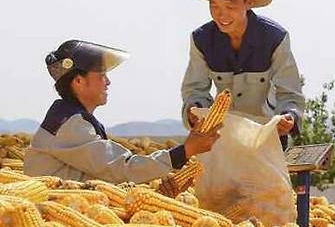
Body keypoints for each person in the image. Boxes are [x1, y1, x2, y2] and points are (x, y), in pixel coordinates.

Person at [24, 40, 220, 186]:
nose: (108, 82)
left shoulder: (73, 119)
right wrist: (185, 151)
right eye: (101, 75)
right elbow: (122, 168)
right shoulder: (69, 125)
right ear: (78, 81)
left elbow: (101, 177)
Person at [181, 0, 304, 146]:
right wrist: (195, 111)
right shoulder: (201, 40)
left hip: (266, 137)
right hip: (222, 138)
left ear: (249, 3)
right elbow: (195, 90)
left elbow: (290, 93)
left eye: (230, 6)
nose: (221, 15)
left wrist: (289, 117)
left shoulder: (275, 38)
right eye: (214, 6)